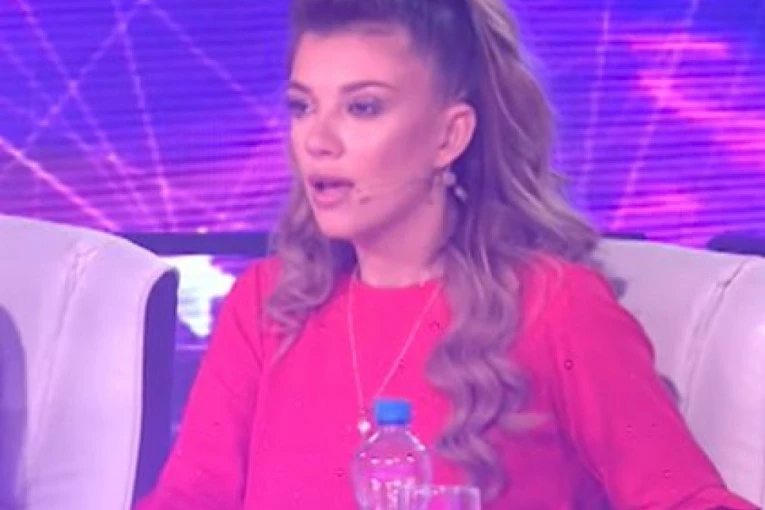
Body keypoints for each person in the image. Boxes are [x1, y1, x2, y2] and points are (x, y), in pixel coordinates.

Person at [137, 0, 759, 508]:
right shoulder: (270, 303)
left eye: (362, 107)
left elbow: (683, 499)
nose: (317, 141)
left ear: (449, 134)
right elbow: (192, 498)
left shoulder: (555, 307)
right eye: (303, 106)